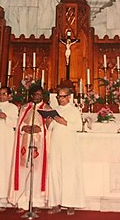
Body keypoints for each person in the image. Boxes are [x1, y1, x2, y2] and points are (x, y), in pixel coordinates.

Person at [8, 85, 51, 212]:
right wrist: (23, 128)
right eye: (35, 94)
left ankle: (37, 202)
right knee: (24, 171)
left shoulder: (47, 109)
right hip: (25, 144)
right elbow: (19, 124)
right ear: (31, 96)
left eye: (40, 94)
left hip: (40, 145)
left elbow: (50, 128)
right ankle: (22, 201)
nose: (38, 97)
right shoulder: (26, 108)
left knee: (37, 172)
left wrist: (41, 129)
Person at [46, 87, 85, 215]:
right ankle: (55, 203)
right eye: (58, 97)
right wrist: (48, 122)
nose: (60, 99)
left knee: (69, 174)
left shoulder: (74, 110)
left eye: (63, 96)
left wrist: (64, 122)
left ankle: (70, 203)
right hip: (56, 144)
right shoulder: (55, 110)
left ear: (69, 97)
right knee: (55, 172)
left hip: (69, 145)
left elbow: (79, 126)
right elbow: (50, 128)